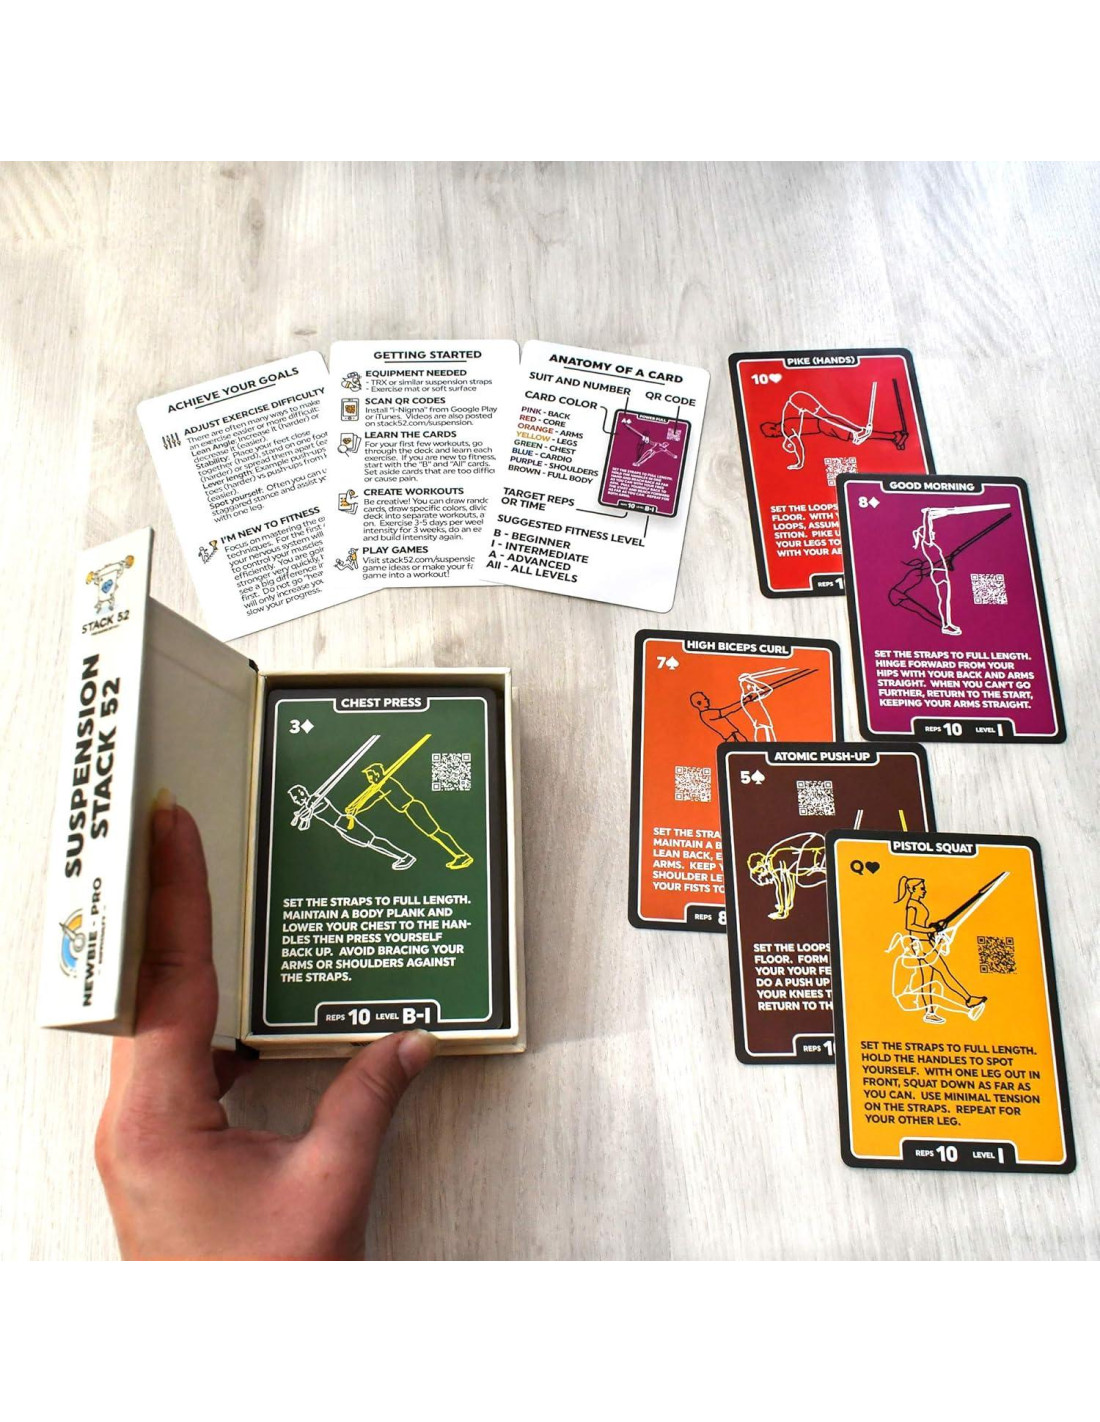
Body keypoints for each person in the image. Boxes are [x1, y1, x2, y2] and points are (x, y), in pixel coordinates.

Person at [95, 789, 437, 1260]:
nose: (299, 796)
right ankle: (396, 856)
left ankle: (399, 856)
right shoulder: (311, 808)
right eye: (296, 795)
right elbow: (314, 820)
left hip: (351, 829)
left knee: (372, 842)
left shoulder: (321, 803)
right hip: (347, 835)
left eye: (299, 794)